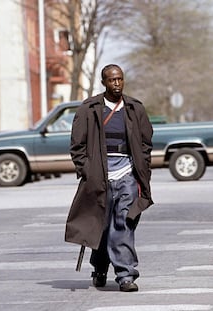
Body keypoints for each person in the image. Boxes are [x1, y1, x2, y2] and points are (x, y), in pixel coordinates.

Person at [65, 64, 154, 292]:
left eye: (120, 79)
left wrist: (142, 169)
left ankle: (125, 275)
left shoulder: (134, 108)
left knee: (124, 223)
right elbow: (77, 146)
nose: (117, 84)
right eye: (112, 80)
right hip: (99, 178)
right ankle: (100, 267)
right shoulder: (89, 109)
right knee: (102, 227)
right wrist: (88, 171)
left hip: (127, 175)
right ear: (103, 82)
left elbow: (145, 143)